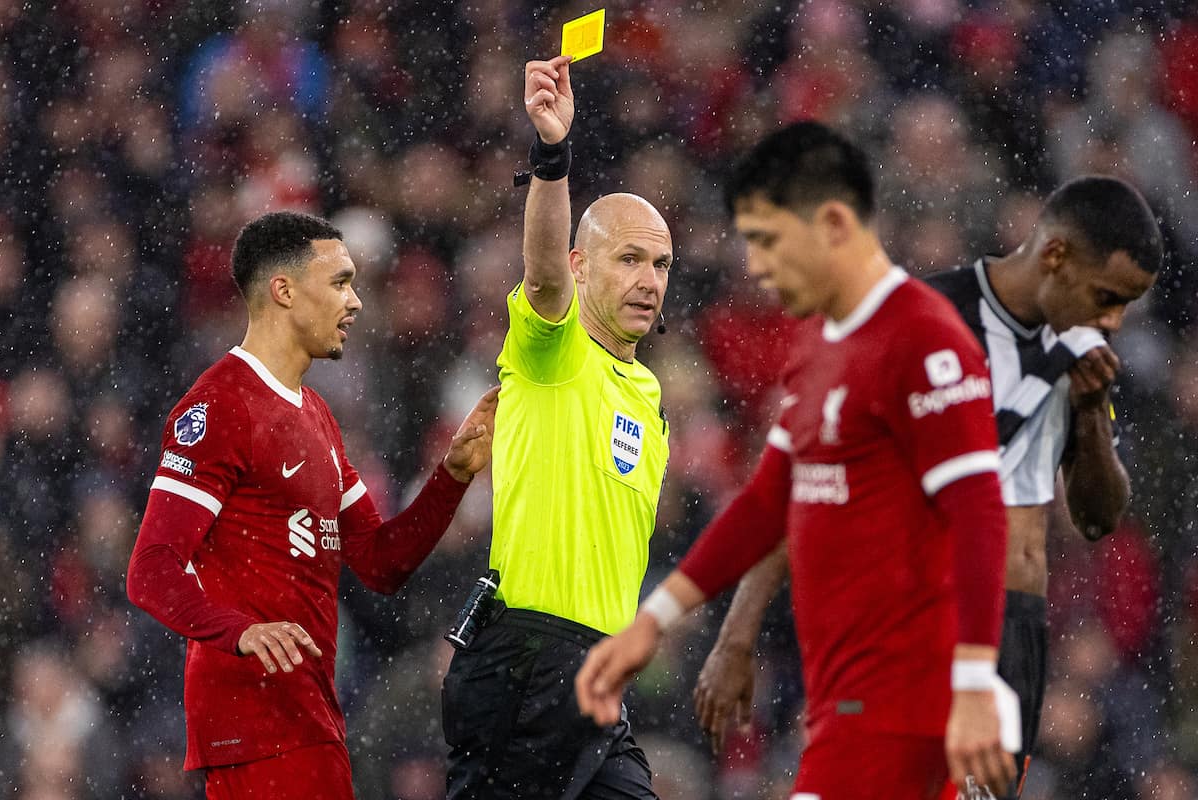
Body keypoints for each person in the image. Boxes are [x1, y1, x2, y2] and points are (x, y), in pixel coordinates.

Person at [575, 121, 1018, 800]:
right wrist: (653, 622)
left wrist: (976, 683)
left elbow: (980, 513)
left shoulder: (925, 340)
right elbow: (763, 503)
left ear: (834, 224)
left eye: (767, 240)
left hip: (908, 706)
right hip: (843, 705)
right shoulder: (817, 348)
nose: (754, 266)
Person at [692, 175, 1163, 799]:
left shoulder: (1082, 352)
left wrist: (1089, 413)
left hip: (1013, 636)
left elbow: (1099, 516)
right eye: (1107, 296)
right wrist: (737, 635)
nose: (1113, 319)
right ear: (1055, 257)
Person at [125, 211, 498, 800]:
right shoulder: (221, 406)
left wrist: (451, 476)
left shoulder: (317, 414)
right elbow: (151, 569)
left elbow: (380, 562)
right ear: (284, 290)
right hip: (254, 721)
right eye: (340, 282)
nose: (355, 302)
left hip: (310, 717)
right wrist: (240, 632)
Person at [439, 55, 672, 800]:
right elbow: (540, 278)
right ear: (582, 265)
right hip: (524, 664)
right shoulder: (554, 350)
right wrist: (551, 157)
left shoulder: (650, 397)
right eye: (630, 259)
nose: (649, 280)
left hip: (598, 676)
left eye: (662, 265)